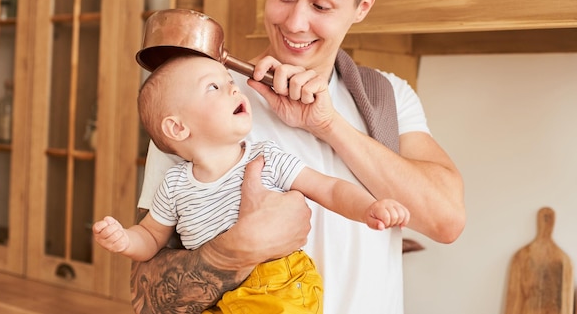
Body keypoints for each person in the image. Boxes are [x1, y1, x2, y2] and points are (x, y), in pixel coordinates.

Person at [132, 0, 466, 314]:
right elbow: (144, 294)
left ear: (362, 6)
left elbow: (446, 221)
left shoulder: (388, 96)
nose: (294, 22)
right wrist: (233, 251)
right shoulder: (198, 105)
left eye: (321, 5)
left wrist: (328, 125)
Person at [94, 54, 410, 313]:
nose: (234, 89)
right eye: (213, 87)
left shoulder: (264, 157)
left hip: (278, 286)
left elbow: (329, 188)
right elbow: (151, 237)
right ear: (177, 127)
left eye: (230, 82)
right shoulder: (174, 183)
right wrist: (124, 240)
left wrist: (370, 207)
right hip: (220, 301)